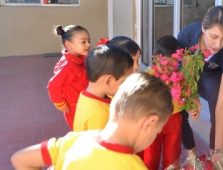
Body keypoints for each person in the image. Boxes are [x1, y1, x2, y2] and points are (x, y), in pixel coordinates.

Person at [11, 72, 173, 170]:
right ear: (149, 123)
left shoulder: (72, 140)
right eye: (156, 132)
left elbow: (20, 159)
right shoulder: (133, 166)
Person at [177, 6, 223, 155]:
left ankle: (215, 152)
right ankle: (191, 153)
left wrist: (219, 151)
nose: (218, 45)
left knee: (216, 101)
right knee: (181, 109)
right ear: (204, 29)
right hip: (191, 70)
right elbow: (187, 76)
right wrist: (192, 97)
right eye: (214, 37)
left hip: (213, 74)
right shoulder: (187, 36)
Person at [142, 35, 186, 169]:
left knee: (172, 158)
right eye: (166, 63)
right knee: (150, 157)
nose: (169, 68)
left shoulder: (180, 76)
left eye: (174, 64)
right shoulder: (148, 76)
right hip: (152, 119)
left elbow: (187, 95)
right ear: (156, 57)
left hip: (173, 118)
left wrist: (193, 104)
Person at [73, 45, 133, 131]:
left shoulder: (87, 95)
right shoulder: (98, 115)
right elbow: (102, 144)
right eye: (123, 81)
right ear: (108, 81)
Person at [47, 25, 91, 129]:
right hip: (75, 106)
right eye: (83, 42)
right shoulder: (69, 66)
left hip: (84, 102)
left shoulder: (79, 57)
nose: (88, 44)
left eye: (89, 41)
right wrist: (60, 103)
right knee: (80, 130)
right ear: (69, 45)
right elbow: (53, 85)